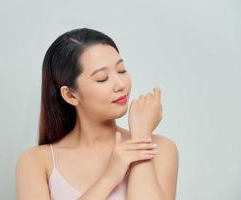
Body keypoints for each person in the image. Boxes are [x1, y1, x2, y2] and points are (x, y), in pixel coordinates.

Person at [15, 28, 179, 200]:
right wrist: (109, 177)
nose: (120, 84)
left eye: (121, 70)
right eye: (102, 78)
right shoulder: (36, 162)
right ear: (71, 95)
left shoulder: (160, 149)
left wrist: (140, 138)